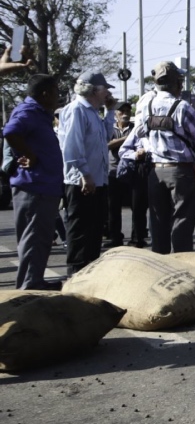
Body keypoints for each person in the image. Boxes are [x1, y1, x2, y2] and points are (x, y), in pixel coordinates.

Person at [133, 61, 195, 254]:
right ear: (176, 84)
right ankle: (182, 260)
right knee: (182, 219)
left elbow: (139, 132)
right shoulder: (182, 107)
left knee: (158, 221)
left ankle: (161, 262)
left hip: (156, 170)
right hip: (180, 170)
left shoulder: (145, 106)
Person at [3, 74, 64, 289]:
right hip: (34, 187)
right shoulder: (28, 111)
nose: (59, 96)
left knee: (39, 239)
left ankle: (33, 281)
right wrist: (30, 154)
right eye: (56, 91)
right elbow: (10, 132)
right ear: (45, 93)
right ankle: (30, 286)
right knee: (34, 239)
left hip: (42, 187)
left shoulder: (39, 113)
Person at [59, 71, 114, 275]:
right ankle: (76, 272)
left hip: (96, 180)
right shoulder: (76, 110)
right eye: (105, 89)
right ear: (94, 91)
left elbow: (105, 138)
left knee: (94, 228)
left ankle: (89, 271)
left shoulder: (93, 111)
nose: (107, 93)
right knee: (80, 229)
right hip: (82, 180)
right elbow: (72, 147)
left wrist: (110, 113)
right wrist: (85, 173)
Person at [104, 102, 134, 248]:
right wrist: (128, 139)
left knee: (136, 207)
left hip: (131, 172)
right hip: (112, 172)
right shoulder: (111, 128)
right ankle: (115, 238)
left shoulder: (134, 128)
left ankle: (137, 237)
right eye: (122, 111)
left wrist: (119, 141)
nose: (125, 113)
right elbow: (107, 145)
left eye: (128, 110)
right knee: (113, 208)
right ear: (116, 113)